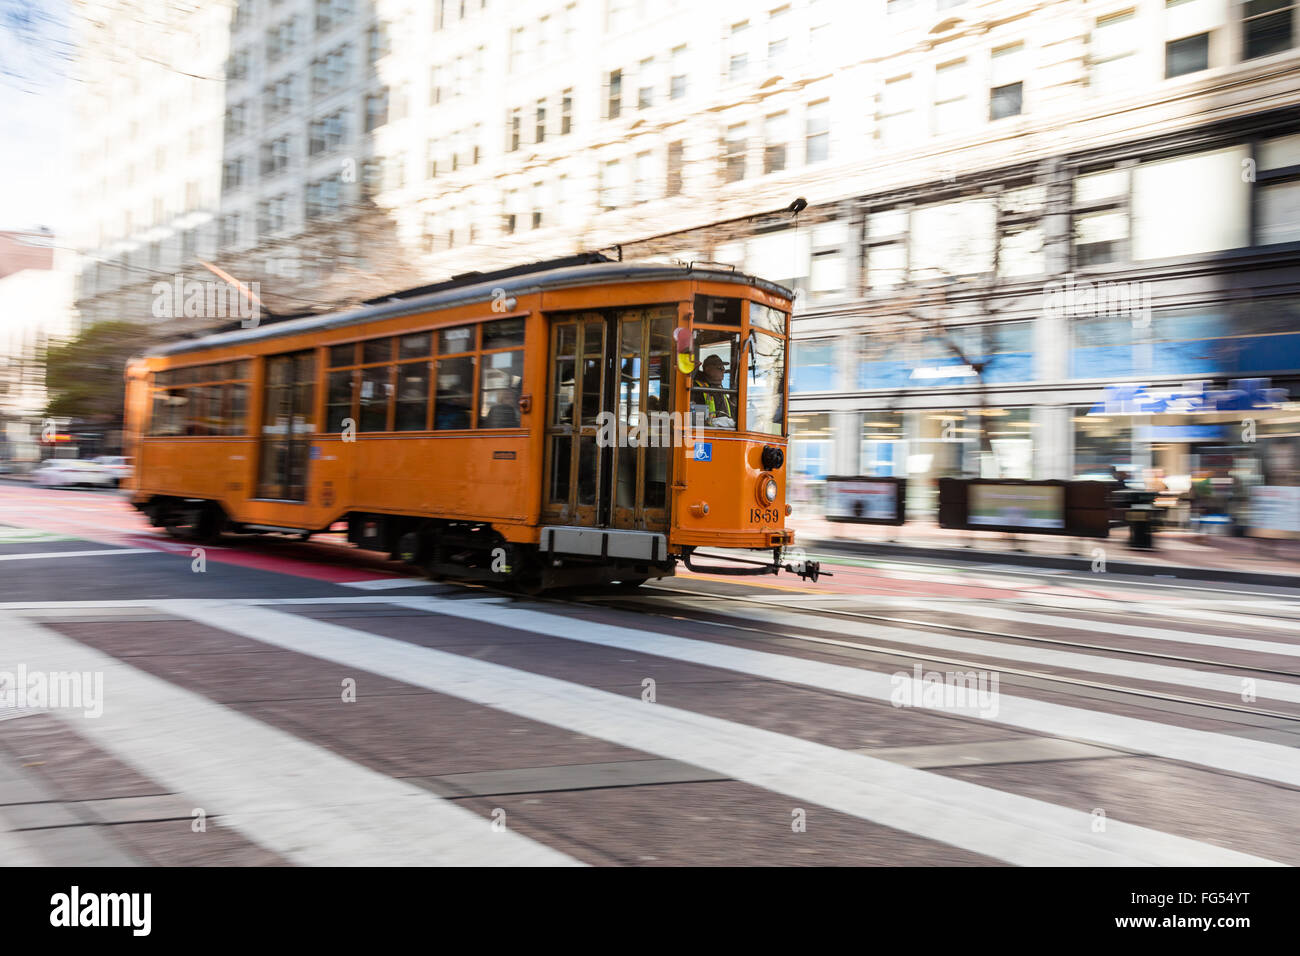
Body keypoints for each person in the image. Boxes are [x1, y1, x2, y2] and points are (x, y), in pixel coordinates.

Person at [691, 353, 736, 425]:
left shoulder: (720, 390)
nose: (723, 370)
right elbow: (694, 416)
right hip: (706, 433)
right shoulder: (696, 388)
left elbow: (732, 411)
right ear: (708, 369)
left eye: (724, 368)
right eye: (720, 368)